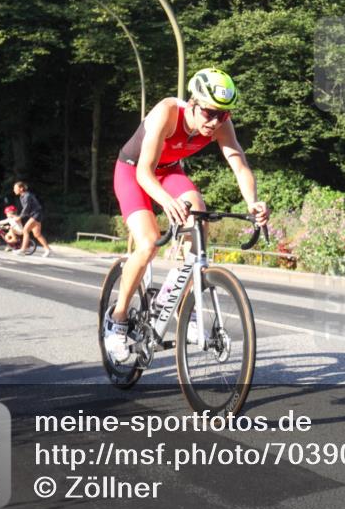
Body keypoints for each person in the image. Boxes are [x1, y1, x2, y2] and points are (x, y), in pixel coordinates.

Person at [104, 68, 269, 363]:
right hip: (133, 171)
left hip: (169, 172)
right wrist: (167, 202)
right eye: (209, 113)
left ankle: (185, 309)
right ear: (193, 103)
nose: (216, 121)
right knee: (149, 243)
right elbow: (144, 172)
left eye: (224, 115)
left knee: (199, 220)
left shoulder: (220, 124)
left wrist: (253, 202)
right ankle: (117, 320)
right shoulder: (166, 112)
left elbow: (239, 164)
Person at [12, 181, 53, 257]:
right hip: (35, 215)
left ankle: (23, 250)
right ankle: (48, 249)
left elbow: (26, 208)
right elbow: (26, 210)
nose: (14, 190)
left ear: (21, 188)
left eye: (15, 188)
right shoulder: (22, 196)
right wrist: (19, 216)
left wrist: (20, 217)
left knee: (25, 230)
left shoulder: (27, 196)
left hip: (36, 214)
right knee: (37, 234)